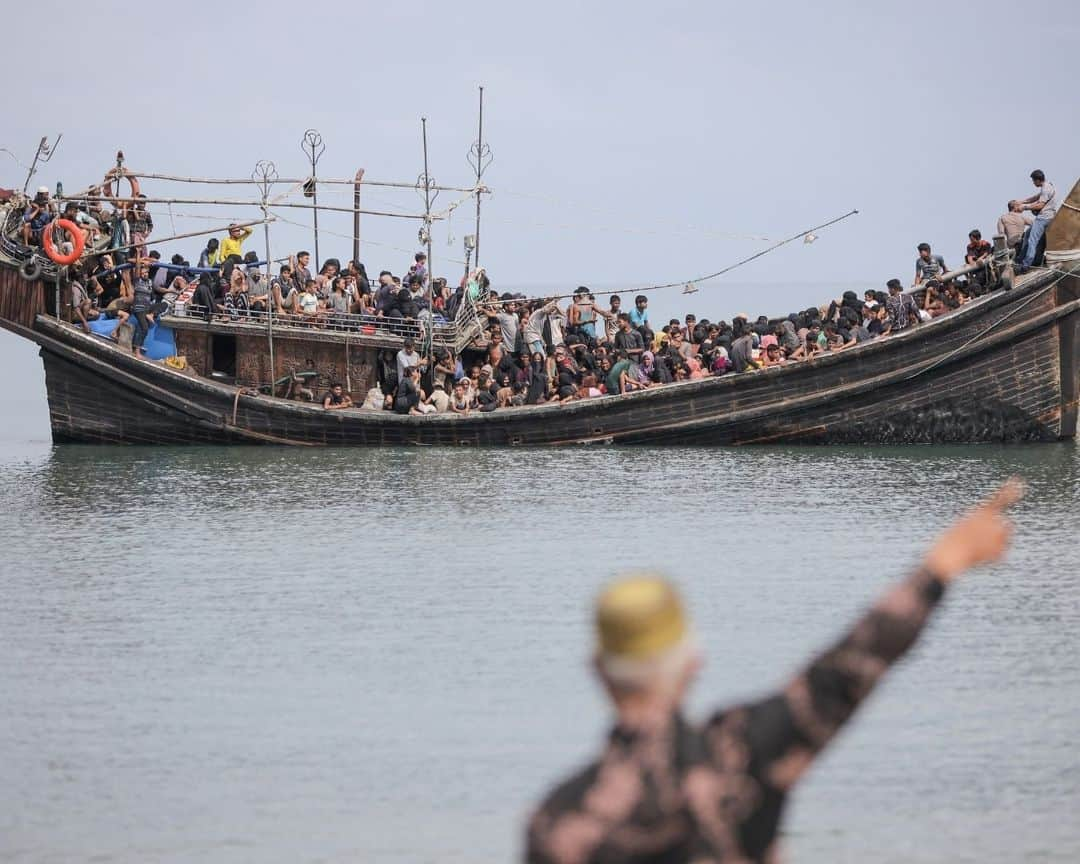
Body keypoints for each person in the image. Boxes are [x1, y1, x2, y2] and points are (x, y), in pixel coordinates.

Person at [526, 479, 1025, 864]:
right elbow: (847, 669)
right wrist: (945, 561)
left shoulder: (558, 823)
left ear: (599, 672)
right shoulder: (738, 754)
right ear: (692, 666)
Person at [1012, 169, 1059, 273]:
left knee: (1032, 241)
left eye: (1033, 181)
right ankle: (1020, 260)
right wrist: (1021, 201)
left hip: (1044, 218)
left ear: (1038, 180)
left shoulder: (1046, 189)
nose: (1033, 183)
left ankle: (1025, 265)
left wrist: (1024, 207)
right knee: (1028, 234)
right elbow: (1036, 197)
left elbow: (1040, 205)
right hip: (1048, 217)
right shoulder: (1048, 186)